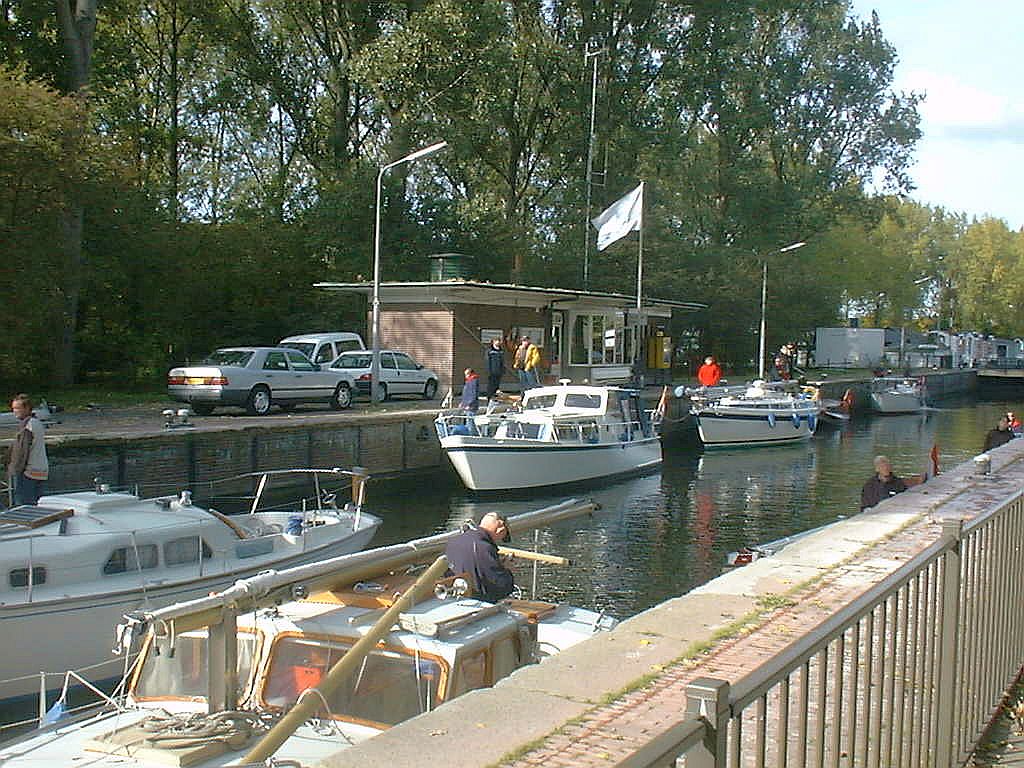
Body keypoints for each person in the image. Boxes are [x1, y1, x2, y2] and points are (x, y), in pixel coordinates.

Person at [444, 511, 514, 603]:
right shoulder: (485, 547)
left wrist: (497, 563)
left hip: (453, 598)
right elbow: (501, 586)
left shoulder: (454, 541)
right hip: (477, 602)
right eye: (501, 537)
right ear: (500, 530)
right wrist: (507, 570)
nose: (498, 541)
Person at [7, 394, 48, 506]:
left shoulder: (27, 427)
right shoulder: (37, 423)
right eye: (13, 408)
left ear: (27, 408)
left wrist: (13, 470)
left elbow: (21, 453)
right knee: (38, 507)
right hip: (41, 471)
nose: (14, 411)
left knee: (24, 507)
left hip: (28, 473)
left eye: (17, 408)